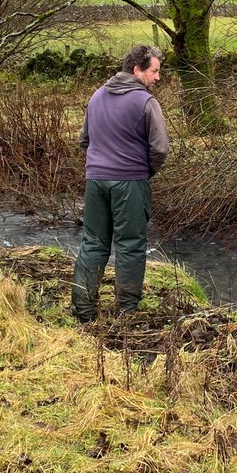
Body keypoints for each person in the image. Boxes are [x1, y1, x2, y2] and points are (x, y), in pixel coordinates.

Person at [73, 44, 169, 320]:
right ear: (137, 69)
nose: (157, 77)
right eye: (154, 71)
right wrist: (144, 171)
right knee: (130, 244)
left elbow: (84, 140)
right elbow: (160, 148)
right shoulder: (146, 102)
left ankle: (83, 310)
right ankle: (126, 311)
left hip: (96, 181)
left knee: (93, 243)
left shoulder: (97, 96)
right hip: (130, 181)